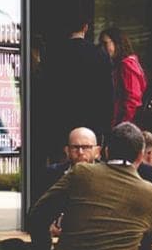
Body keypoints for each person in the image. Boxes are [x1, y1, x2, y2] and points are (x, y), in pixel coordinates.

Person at [26, 123, 152, 250]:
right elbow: (149, 242)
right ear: (141, 156)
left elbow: (38, 215)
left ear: (106, 151)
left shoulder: (81, 173)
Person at [45, 14, 114, 157]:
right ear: (86, 28)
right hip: (92, 121)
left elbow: (48, 91)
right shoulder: (99, 54)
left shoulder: (54, 54)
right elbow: (107, 94)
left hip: (61, 120)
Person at [34, 126, 102, 200]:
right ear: (67, 151)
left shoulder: (106, 176)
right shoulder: (51, 174)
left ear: (97, 151)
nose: (80, 152)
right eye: (75, 147)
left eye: (86, 147)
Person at [99, 26, 148, 126]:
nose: (102, 48)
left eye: (105, 44)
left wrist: (123, 126)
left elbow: (133, 100)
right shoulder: (123, 64)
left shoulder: (127, 64)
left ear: (117, 43)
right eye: (101, 44)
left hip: (127, 125)